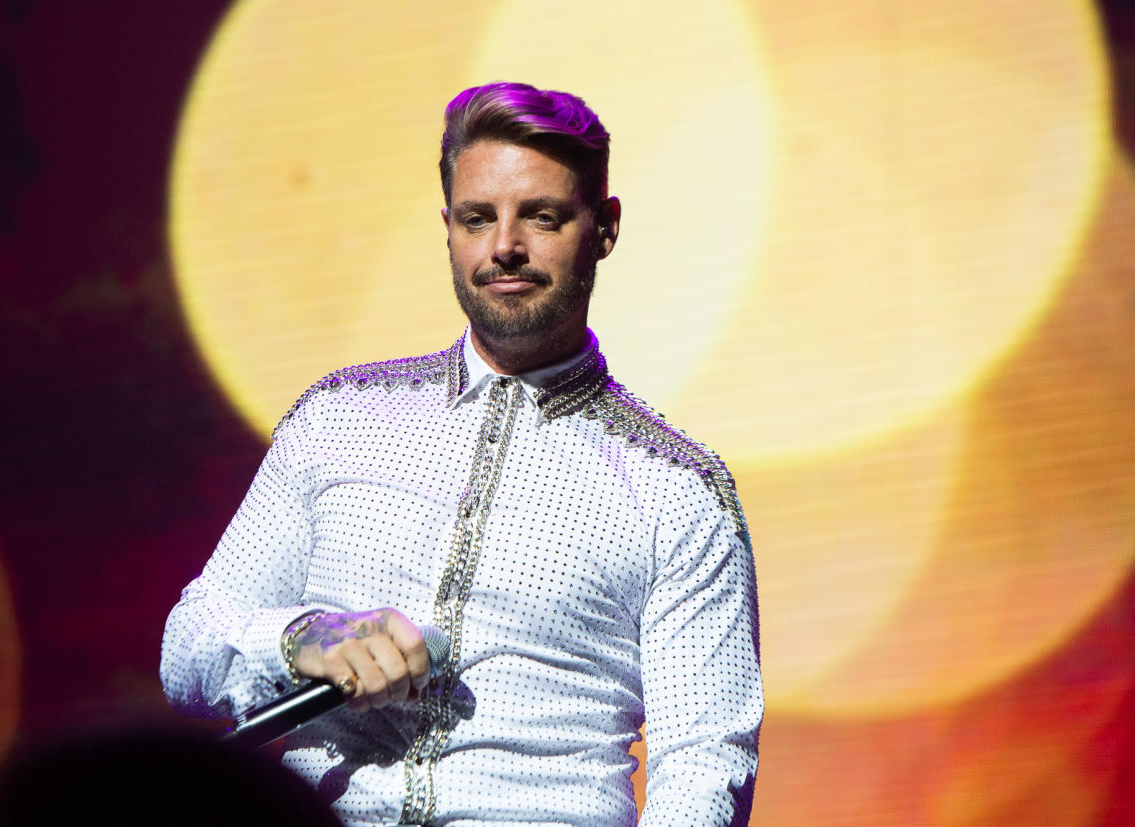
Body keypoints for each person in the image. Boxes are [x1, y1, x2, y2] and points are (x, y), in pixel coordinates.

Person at [161, 81, 762, 826]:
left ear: (604, 228)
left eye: (541, 217)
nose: (504, 246)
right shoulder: (337, 418)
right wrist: (302, 638)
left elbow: (705, 766)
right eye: (478, 218)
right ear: (448, 228)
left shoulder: (678, 487)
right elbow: (188, 648)